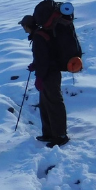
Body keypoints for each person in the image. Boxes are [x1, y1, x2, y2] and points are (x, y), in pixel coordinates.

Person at [19, 14, 69, 147]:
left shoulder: (39, 37)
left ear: (27, 26)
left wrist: (39, 77)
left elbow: (44, 60)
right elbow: (45, 56)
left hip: (49, 75)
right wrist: (35, 65)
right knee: (46, 104)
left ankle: (60, 135)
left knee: (54, 103)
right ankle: (49, 133)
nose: (23, 28)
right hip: (49, 73)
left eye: (23, 25)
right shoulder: (41, 35)